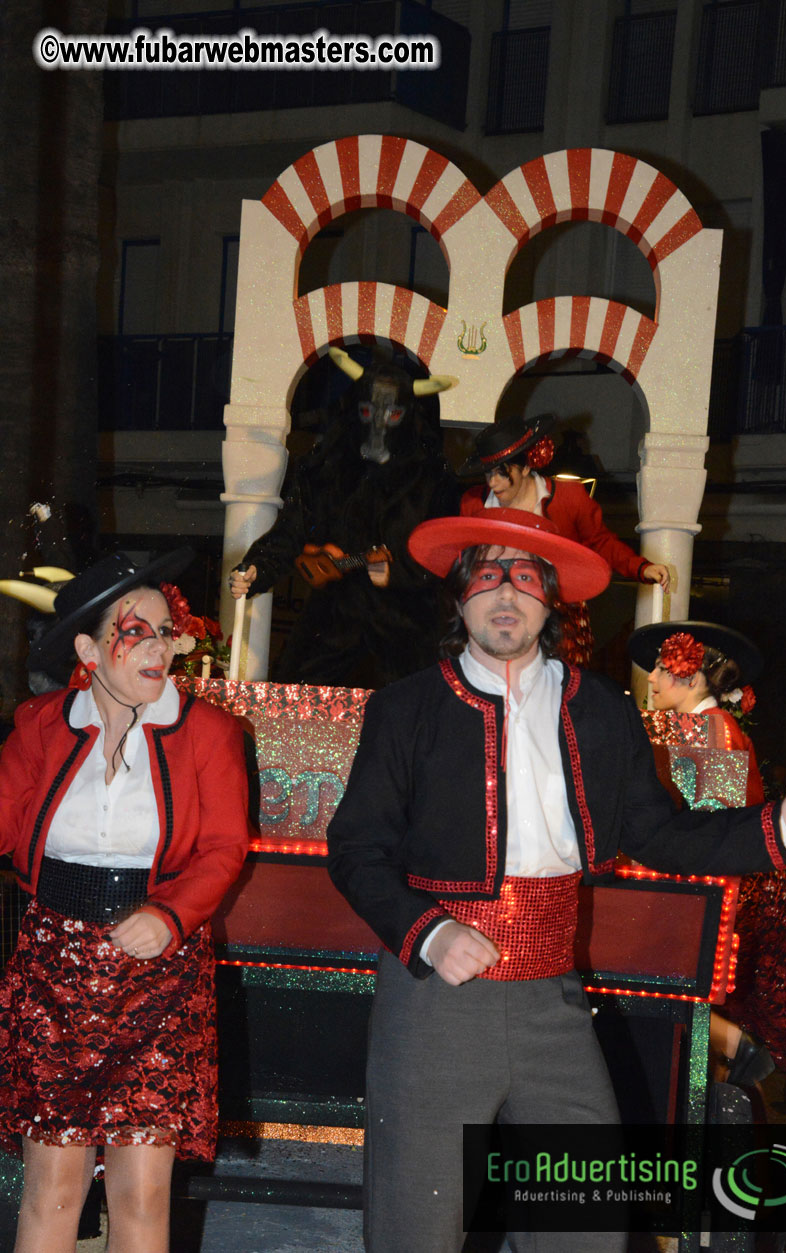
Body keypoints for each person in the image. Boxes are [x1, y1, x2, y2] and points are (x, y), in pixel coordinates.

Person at [327, 507, 786, 1253]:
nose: (505, 594)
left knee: (582, 1223)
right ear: (459, 596)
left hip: (553, 999)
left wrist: (780, 829)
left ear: (551, 598)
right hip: (435, 1003)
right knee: (415, 1228)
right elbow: (356, 847)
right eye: (486, 575)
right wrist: (429, 932)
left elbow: (658, 833)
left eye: (525, 577)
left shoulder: (601, 709)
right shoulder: (408, 708)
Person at [0, 550, 251, 1253]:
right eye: (134, 630)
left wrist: (170, 916)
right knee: (52, 1186)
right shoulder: (41, 724)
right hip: (55, 972)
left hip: (160, 976)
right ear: (88, 647)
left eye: (165, 629)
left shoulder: (209, 733)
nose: (159, 645)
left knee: (142, 1193)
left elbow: (224, 847)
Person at [230, 351, 460, 687]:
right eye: (368, 412)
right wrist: (256, 568)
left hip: (407, 628)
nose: (378, 427)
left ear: (408, 416)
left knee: (414, 713)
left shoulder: (432, 477)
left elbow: (448, 553)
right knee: (296, 700)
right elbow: (291, 531)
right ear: (355, 411)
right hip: (334, 619)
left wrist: (399, 574)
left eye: (392, 414)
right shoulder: (326, 468)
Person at [628, 620, 775, 1088]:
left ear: (688, 676)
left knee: (670, 1005)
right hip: (686, 897)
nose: (650, 679)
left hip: (694, 900)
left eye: (658, 668)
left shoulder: (712, 730)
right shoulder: (699, 727)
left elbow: (716, 832)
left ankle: (734, 1046)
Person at [458, 414, 670, 665]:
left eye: (503, 473)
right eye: (488, 474)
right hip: (497, 611)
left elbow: (601, 542)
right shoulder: (474, 503)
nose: (493, 483)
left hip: (558, 618)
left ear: (526, 466)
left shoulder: (569, 498)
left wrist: (640, 567)